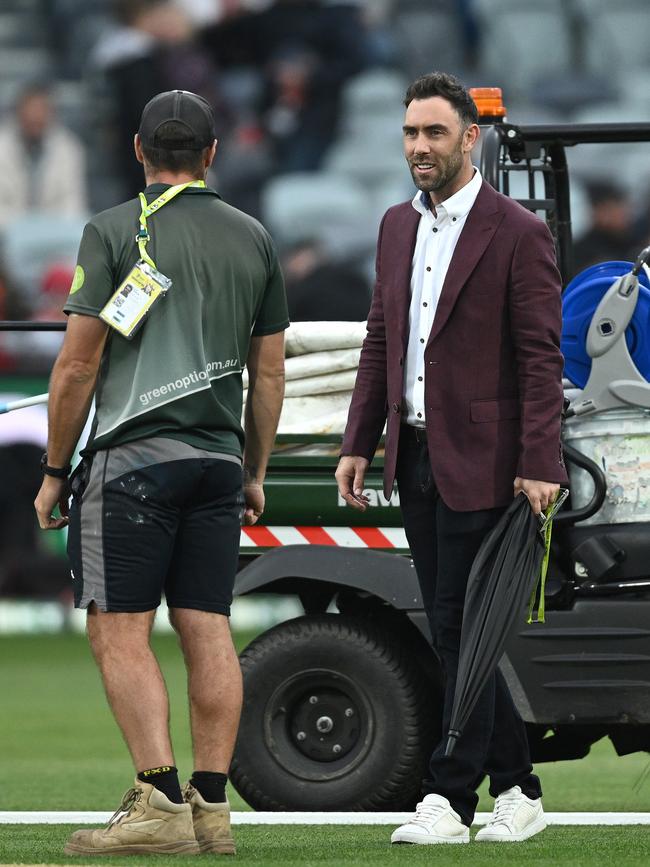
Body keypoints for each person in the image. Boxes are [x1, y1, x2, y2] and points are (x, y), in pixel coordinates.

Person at [34, 89, 288, 856]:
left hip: (132, 463)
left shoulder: (113, 230)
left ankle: (158, 800)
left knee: (119, 631)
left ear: (139, 153)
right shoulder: (255, 237)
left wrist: (53, 470)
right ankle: (211, 809)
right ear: (213, 155)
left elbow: (78, 367)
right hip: (216, 463)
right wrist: (252, 468)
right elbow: (269, 374)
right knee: (207, 626)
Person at [335, 72, 567, 845]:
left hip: (496, 461)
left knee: (465, 630)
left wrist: (542, 462)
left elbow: (541, 358)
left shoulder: (517, 231)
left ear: (473, 137)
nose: (419, 147)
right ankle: (521, 787)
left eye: (434, 132)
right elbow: (381, 341)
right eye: (410, 133)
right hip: (418, 456)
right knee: (451, 632)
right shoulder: (396, 227)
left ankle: (451, 797)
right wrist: (358, 441)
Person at [0, 83, 87, 229]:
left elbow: (73, 205)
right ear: (19, 114)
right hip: (6, 235)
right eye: (30, 118)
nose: (35, 120)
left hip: (56, 236)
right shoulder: (3, 146)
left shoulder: (69, 149)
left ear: (51, 115)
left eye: (39, 117)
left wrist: (45, 229)